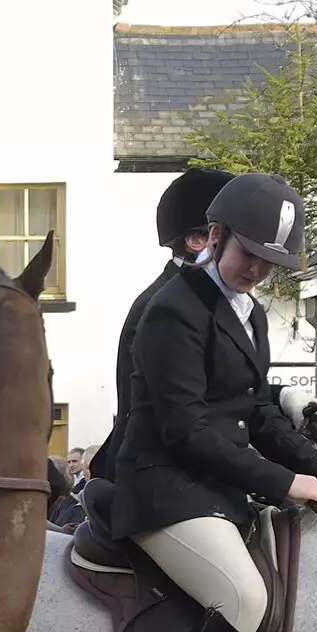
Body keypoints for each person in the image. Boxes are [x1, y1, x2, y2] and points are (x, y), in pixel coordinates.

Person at [107, 173, 317, 632]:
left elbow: (257, 413)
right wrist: (281, 482)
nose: (256, 273)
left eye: (270, 265)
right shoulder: (171, 310)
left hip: (212, 485)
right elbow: (186, 428)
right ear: (214, 237)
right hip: (161, 485)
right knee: (245, 599)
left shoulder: (250, 315)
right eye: (249, 257)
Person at [91, 168, 235, 481]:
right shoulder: (164, 307)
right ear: (198, 240)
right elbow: (186, 415)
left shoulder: (211, 300)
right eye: (234, 237)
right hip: (162, 478)